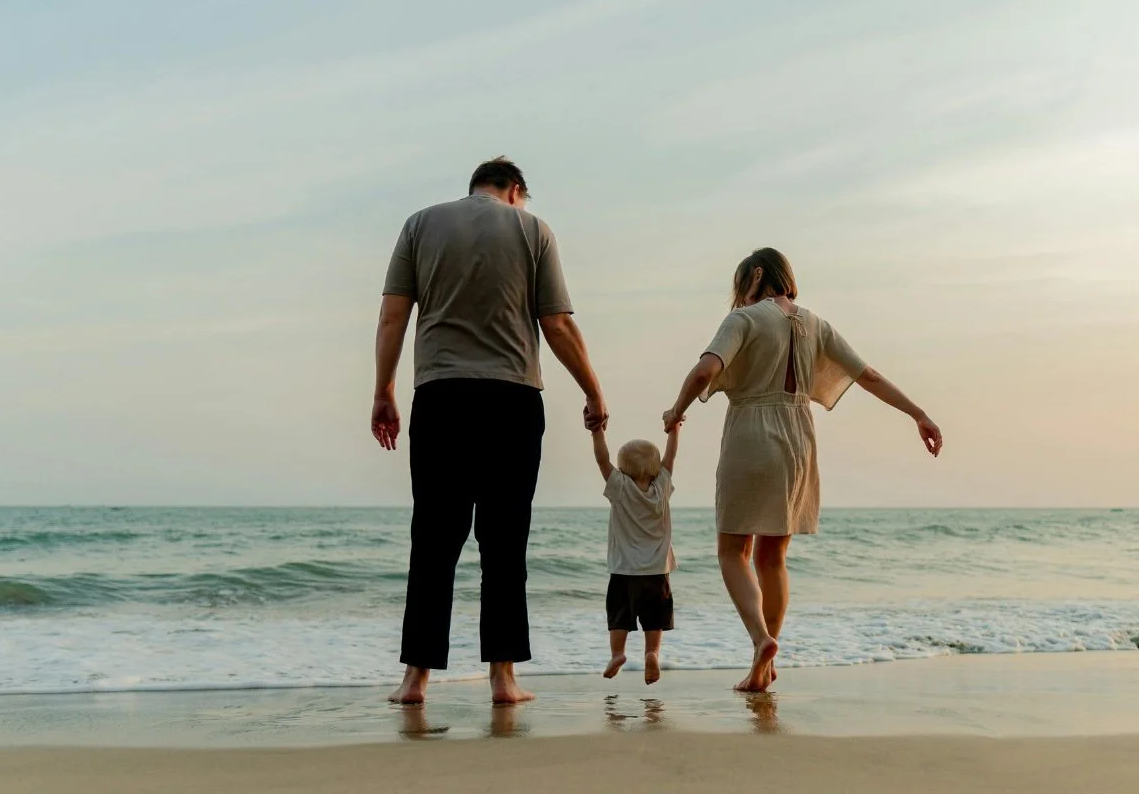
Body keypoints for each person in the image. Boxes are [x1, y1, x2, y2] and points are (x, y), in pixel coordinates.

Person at [372, 156, 607, 705]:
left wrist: (383, 389)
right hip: (512, 400)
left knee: (433, 541)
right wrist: (592, 388)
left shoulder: (420, 223)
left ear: (474, 186)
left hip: (440, 396)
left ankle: (415, 680)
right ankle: (503, 679)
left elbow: (391, 316)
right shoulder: (532, 229)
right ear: (516, 190)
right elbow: (557, 323)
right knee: (504, 544)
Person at [661, 248, 942, 693]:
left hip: (751, 432)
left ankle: (759, 640)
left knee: (733, 551)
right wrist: (919, 414)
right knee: (774, 557)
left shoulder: (745, 319)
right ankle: (763, 666)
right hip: (798, 436)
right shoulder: (815, 324)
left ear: (755, 276)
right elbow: (866, 375)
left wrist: (675, 411)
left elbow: (704, 371)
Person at [590, 421, 680, 685]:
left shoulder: (619, 486)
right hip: (657, 571)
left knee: (619, 616)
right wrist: (674, 431)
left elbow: (601, 459)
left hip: (623, 571)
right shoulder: (662, 485)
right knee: (655, 619)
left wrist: (598, 431)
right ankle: (652, 653)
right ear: (655, 467)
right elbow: (671, 457)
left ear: (622, 469)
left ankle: (617, 654)